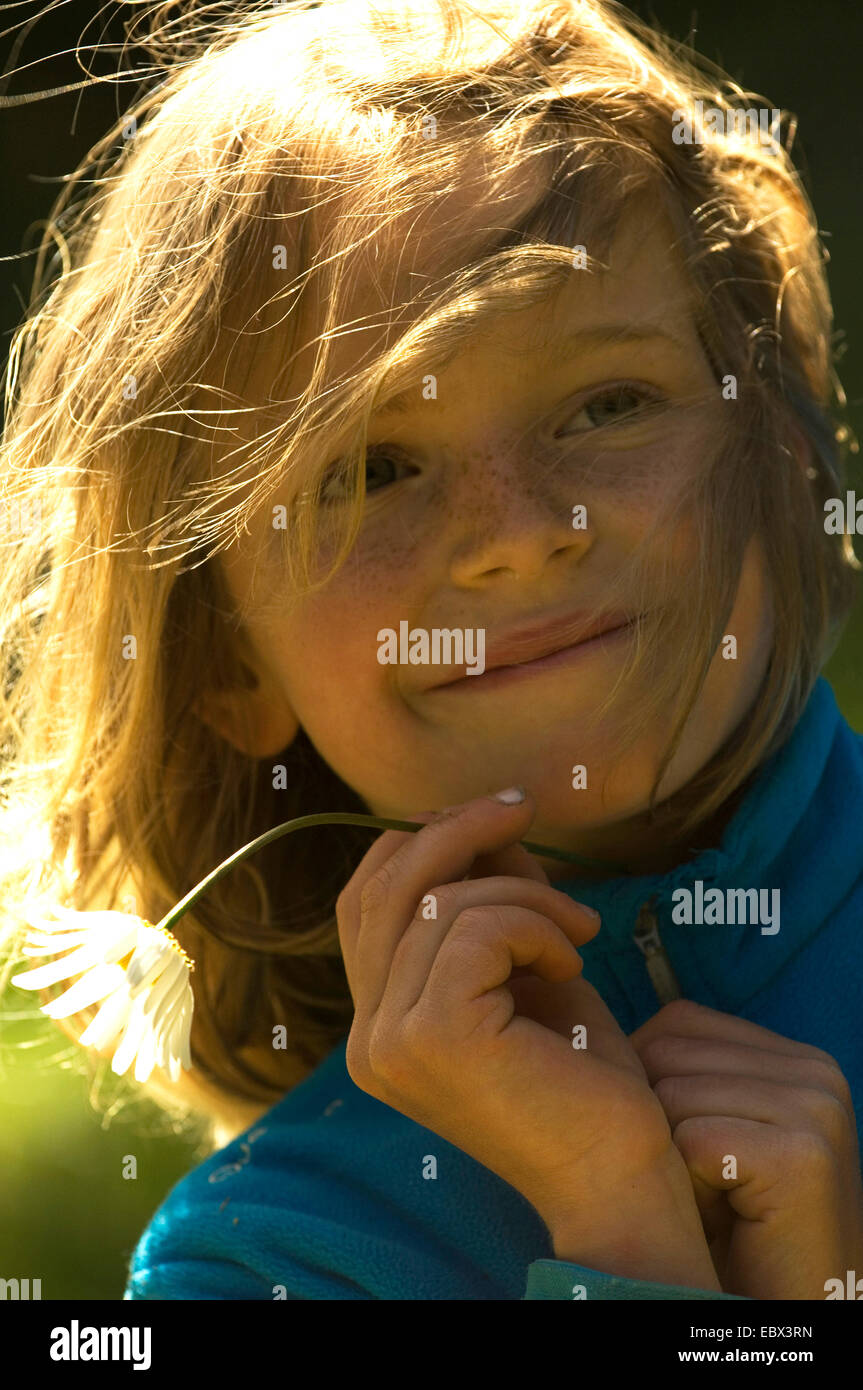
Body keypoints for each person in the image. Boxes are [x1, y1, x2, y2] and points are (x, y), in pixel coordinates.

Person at [1, 0, 861, 1301]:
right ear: (224, 652)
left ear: (781, 457)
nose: (516, 539)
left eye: (608, 403)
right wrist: (623, 1229)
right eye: (375, 467)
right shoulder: (264, 1257)